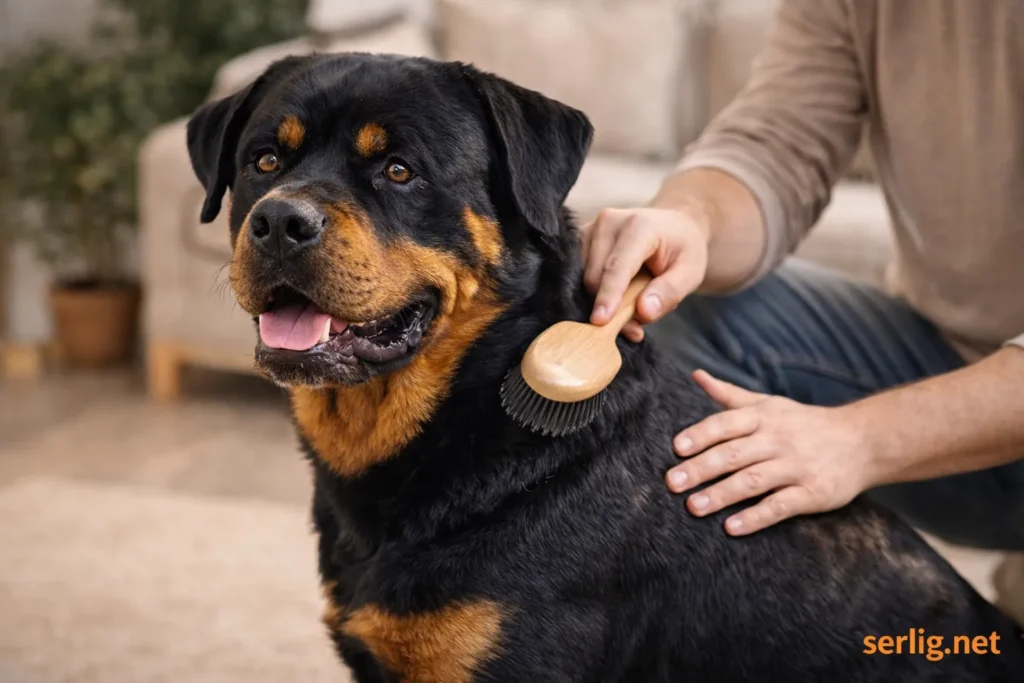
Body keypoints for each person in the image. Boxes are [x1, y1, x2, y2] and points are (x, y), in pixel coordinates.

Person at [580, 0, 1023, 622]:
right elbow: (778, 144)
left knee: (970, 651)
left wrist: (858, 440)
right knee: (699, 319)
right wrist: (688, 222)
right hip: (944, 356)